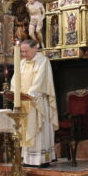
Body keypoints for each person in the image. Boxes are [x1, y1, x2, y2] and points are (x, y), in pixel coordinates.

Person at [10, 39, 59, 167]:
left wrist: (29, 95)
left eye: (26, 51)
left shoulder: (43, 61)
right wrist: (16, 93)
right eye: (22, 51)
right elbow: (15, 79)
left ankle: (42, 159)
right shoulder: (21, 63)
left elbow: (40, 80)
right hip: (23, 101)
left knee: (38, 129)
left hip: (38, 102)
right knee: (25, 129)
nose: (24, 54)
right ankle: (28, 159)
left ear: (35, 48)